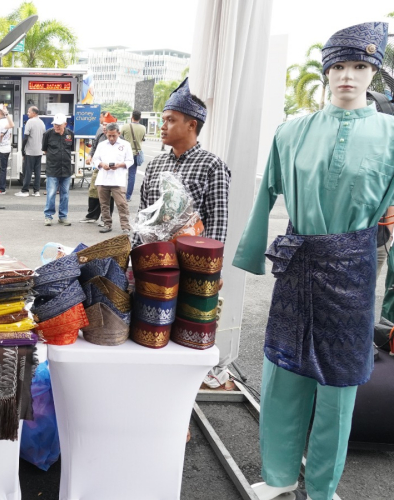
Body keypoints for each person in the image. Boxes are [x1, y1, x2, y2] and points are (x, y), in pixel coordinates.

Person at [233, 22, 394, 500]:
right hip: (300, 263)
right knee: (284, 374)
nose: (348, 75)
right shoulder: (292, 131)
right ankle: (280, 475)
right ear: (326, 72)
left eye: (359, 66)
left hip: (355, 270)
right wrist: (251, 254)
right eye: (339, 66)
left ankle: (322, 487)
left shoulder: (392, 134)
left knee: (340, 387)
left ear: (374, 74)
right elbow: (265, 195)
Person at [135, 79, 230, 246]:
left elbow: (217, 221)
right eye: (163, 120)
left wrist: (208, 267)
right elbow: (143, 213)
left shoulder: (212, 165)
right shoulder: (155, 164)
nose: (162, 126)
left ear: (191, 125)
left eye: (170, 120)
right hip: (153, 259)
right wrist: (134, 254)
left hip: (191, 261)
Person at [91, 123, 133, 234]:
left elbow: (130, 160)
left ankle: (125, 226)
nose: (111, 138)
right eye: (109, 135)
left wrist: (119, 165)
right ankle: (107, 224)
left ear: (118, 133)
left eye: (114, 135)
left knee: (122, 204)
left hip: (117, 179)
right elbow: (95, 159)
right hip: (103, 178)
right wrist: (101, 164)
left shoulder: (125, 145)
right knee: (104, 204)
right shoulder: (102, 145)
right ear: (106, 133)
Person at [81, 111, 115, 223]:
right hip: (99, 167)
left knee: (108, 194)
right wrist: (90, 156)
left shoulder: (119, 138)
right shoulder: (100, 132)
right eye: (103, 124)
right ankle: (92, 215)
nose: (104, 127)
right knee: (93, 190)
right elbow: (94, 146)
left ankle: (106, 218)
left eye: (107, 125)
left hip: (112, 170)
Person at [42, 113, 75, 226]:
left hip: (66, 169)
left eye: (59, 125)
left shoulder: (70, 135)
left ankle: (63, 216)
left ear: (65, 124)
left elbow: (71, 149)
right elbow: (45, 150)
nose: (56, 126)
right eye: (55, 124)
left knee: (65, 194)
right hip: (52, 169)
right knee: (51, 194)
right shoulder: (48, 134)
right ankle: (48, 216)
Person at [16, 105, 44, 197]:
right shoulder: (41, 122)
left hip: (30, 151)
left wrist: (22, 149)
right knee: (37, 172)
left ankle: (25, 190)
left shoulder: (30, 122)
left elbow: (26, 137)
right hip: (39, 151)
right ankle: (36, 191)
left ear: (34, 113)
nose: (27, 113)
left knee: (27, 171)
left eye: (29, 112)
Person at [120, 109, 146, 201]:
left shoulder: (125, 127)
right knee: (132, 175)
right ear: (140, 118)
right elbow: (142, 139)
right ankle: (127, 197)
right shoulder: (143, 128)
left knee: (120, 173)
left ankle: (118, 194)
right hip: (136, 154)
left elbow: (120, 138)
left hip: (125, 154)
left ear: (132, 117)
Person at [0, 107, 12, 194]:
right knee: (4, 168)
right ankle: (2, 187)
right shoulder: (7, 121)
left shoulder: (0, 123)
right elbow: (9, 135)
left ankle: (1, 188)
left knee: (0, 169)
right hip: (7, 147)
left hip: (1, 148)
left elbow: (1, 135)